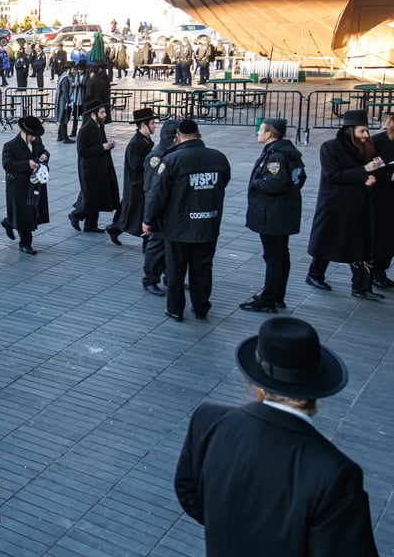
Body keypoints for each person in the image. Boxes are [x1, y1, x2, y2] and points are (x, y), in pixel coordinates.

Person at [174, 317, 379, 556]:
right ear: (317, 389)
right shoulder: (336, 473)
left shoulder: (208, 419)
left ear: (254, 383)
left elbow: (188, 492)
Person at [143, 119, 232, 322]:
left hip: (178, 226)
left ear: (178, 137)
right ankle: (201, 307)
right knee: (203, 269)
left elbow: (158, 194)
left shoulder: (172, 160)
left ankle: (175, 309)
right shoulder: (218, 158)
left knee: (176, 270)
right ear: (200, 136)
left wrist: (148, 219)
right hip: (208, 223)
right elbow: (223, 182)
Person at [306, 109, 386, 300]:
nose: (366, 136)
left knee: (361, 246)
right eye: (362, 132)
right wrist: (363, 172)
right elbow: (333, 175)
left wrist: (369, 177)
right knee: (327, 242)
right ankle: (315, 274)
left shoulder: (365, 146)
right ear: (350, 131)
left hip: (359, 204)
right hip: (335, 204)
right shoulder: (330, 147)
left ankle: (361, 286)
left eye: (367, 131)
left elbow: (365, 171)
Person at [240, 118, 306, 313]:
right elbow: (300, 178)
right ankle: (277, 296)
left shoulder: (276, 156)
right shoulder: (290, 152)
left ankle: (268, 298)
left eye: (260, 130)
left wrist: (255, 183)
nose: (258, 133)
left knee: (273, 257)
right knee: (281, 255)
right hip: (284, 212)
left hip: (273, 214)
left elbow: (274, 184)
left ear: (269, 134)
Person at [0, 116, 51, 255]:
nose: (35, 139)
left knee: (28, 211)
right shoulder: (10, 145)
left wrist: (45, 156)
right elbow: (7, 165)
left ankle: (9, 222)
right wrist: (27, 164)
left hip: (34, 183)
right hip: (18, 185)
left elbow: (44, 151)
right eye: (32, 136)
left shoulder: (37, 141)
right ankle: (25, 243)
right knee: (24, 213)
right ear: (24, 133)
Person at [141, 119, 179, 297]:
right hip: (159, 208)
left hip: (171, 208)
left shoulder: (174, 153)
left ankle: (168, 275)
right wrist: (149, 216)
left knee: (170, 246)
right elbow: (150, 188)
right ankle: (150, 279)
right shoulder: (157, 157)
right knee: (156, 246)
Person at [107, 109, 156, 246]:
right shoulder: (135, 143)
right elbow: (136, 165)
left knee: (131, 213)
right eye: (152, 123)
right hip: (136, 184)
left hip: (142, 183)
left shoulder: (146, 139)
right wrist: (151, 157)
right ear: (143, 125)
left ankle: (114, 229)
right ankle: (146, 241)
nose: (154, 126)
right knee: (137, 213)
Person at [68, 100, 119, 234]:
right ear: (94, 113)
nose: (105, 114)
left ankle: (90, 224)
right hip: (89, 168)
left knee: (95, 195)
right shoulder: (85, 129)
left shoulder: (99, 126)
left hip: (99, 166)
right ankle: (76, 214)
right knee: (91, 196)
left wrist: (108, 145)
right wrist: (102, 147)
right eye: (102, 112)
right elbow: (82, 151)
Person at [371, 113, 394, 288]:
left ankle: (382, 270)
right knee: (382, 237)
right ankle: (375, 272)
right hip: (382, 197)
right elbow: (369, 167)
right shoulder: (378, 141)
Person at [53, 62, 76, 143]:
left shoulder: (64, 76)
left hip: (63, 100)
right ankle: (65, 138)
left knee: (63, 118)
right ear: (69, 69)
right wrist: (68, 102)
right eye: (73, 69)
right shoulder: (66, 78)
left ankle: (60, 136)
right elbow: (65, 91)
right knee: (64, 119)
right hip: (64, 101)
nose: (74, 71)